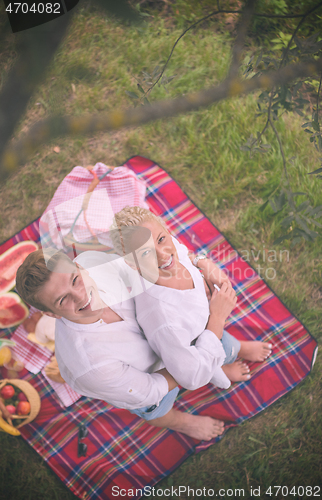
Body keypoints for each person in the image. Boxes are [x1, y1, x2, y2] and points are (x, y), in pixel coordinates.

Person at [16, 249, 226, 441]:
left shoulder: (94, 261)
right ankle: (183, 422)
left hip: (172, 339)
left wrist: (198, 263)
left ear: (80, 267)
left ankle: (220, 362)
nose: (80, 297)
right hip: (152, 382)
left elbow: (146, 258)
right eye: (63, 300)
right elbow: (151, 391)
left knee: (222, 350)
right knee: (156, 411)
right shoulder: (90, 367)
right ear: (51, 314)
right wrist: (196, 353)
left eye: (75, 280)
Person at [110, 206, 273, 391]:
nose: (163, 254)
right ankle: (224, 363)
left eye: (162, 239)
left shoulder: (167, 249)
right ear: (132, 264)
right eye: (146, 253)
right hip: (196, 342)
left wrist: (203, 263)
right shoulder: (163, 321)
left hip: (204, 320)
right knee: (225, 348)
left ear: (167, 231)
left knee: (227, 342)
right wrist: (217, 319)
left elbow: (182, 252)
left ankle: (236, 348)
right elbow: (191, 376)